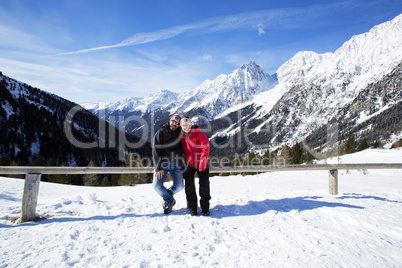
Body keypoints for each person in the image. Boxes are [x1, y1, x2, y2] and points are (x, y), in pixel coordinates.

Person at [152, 114, 184, 214]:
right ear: (170, 120)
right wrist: (158, 167)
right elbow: (155, 150)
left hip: (176, 163)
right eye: (173, 121)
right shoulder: (161, 132)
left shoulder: (180, 133)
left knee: (179, 186)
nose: (174, 124)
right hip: (162, 164)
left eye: (177, 123)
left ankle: (167, 199)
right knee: (157, 186)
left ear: (179, 125)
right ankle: (170, 201)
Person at [180, 116, 211, 216]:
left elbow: (205, 147)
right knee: (189, 186)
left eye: (188, 125)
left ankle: (205, 208)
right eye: (183, 125)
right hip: (188, 164)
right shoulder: (181, 136)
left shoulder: (198, 133)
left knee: (204, 185)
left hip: (202, 162)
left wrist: (202, 163)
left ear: (191, 124)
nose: (186, 127)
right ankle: (193, 208)